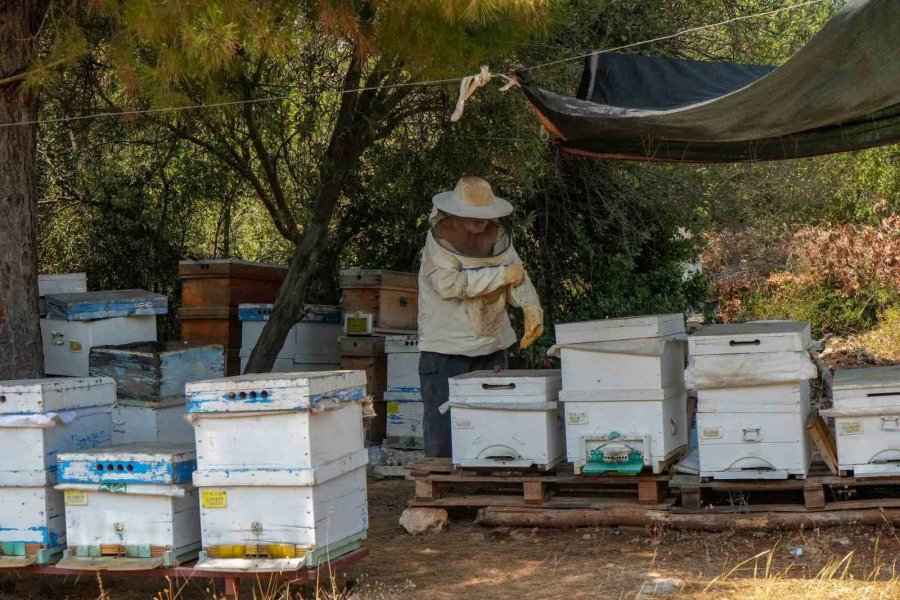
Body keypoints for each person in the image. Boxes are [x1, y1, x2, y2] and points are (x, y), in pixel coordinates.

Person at [417, 176, 544, 458]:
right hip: (446, 350)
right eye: (472, 215)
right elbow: (450, 286)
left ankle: (490, 479)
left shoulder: (497, 236)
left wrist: (530, 306)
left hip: (491, 346)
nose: (479, 222)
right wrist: (500, 276)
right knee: (444, 434)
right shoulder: (438, 244)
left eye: (483, 216)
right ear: (456, 213)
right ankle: (444, 483)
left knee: (493, 428)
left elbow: (516, 274)